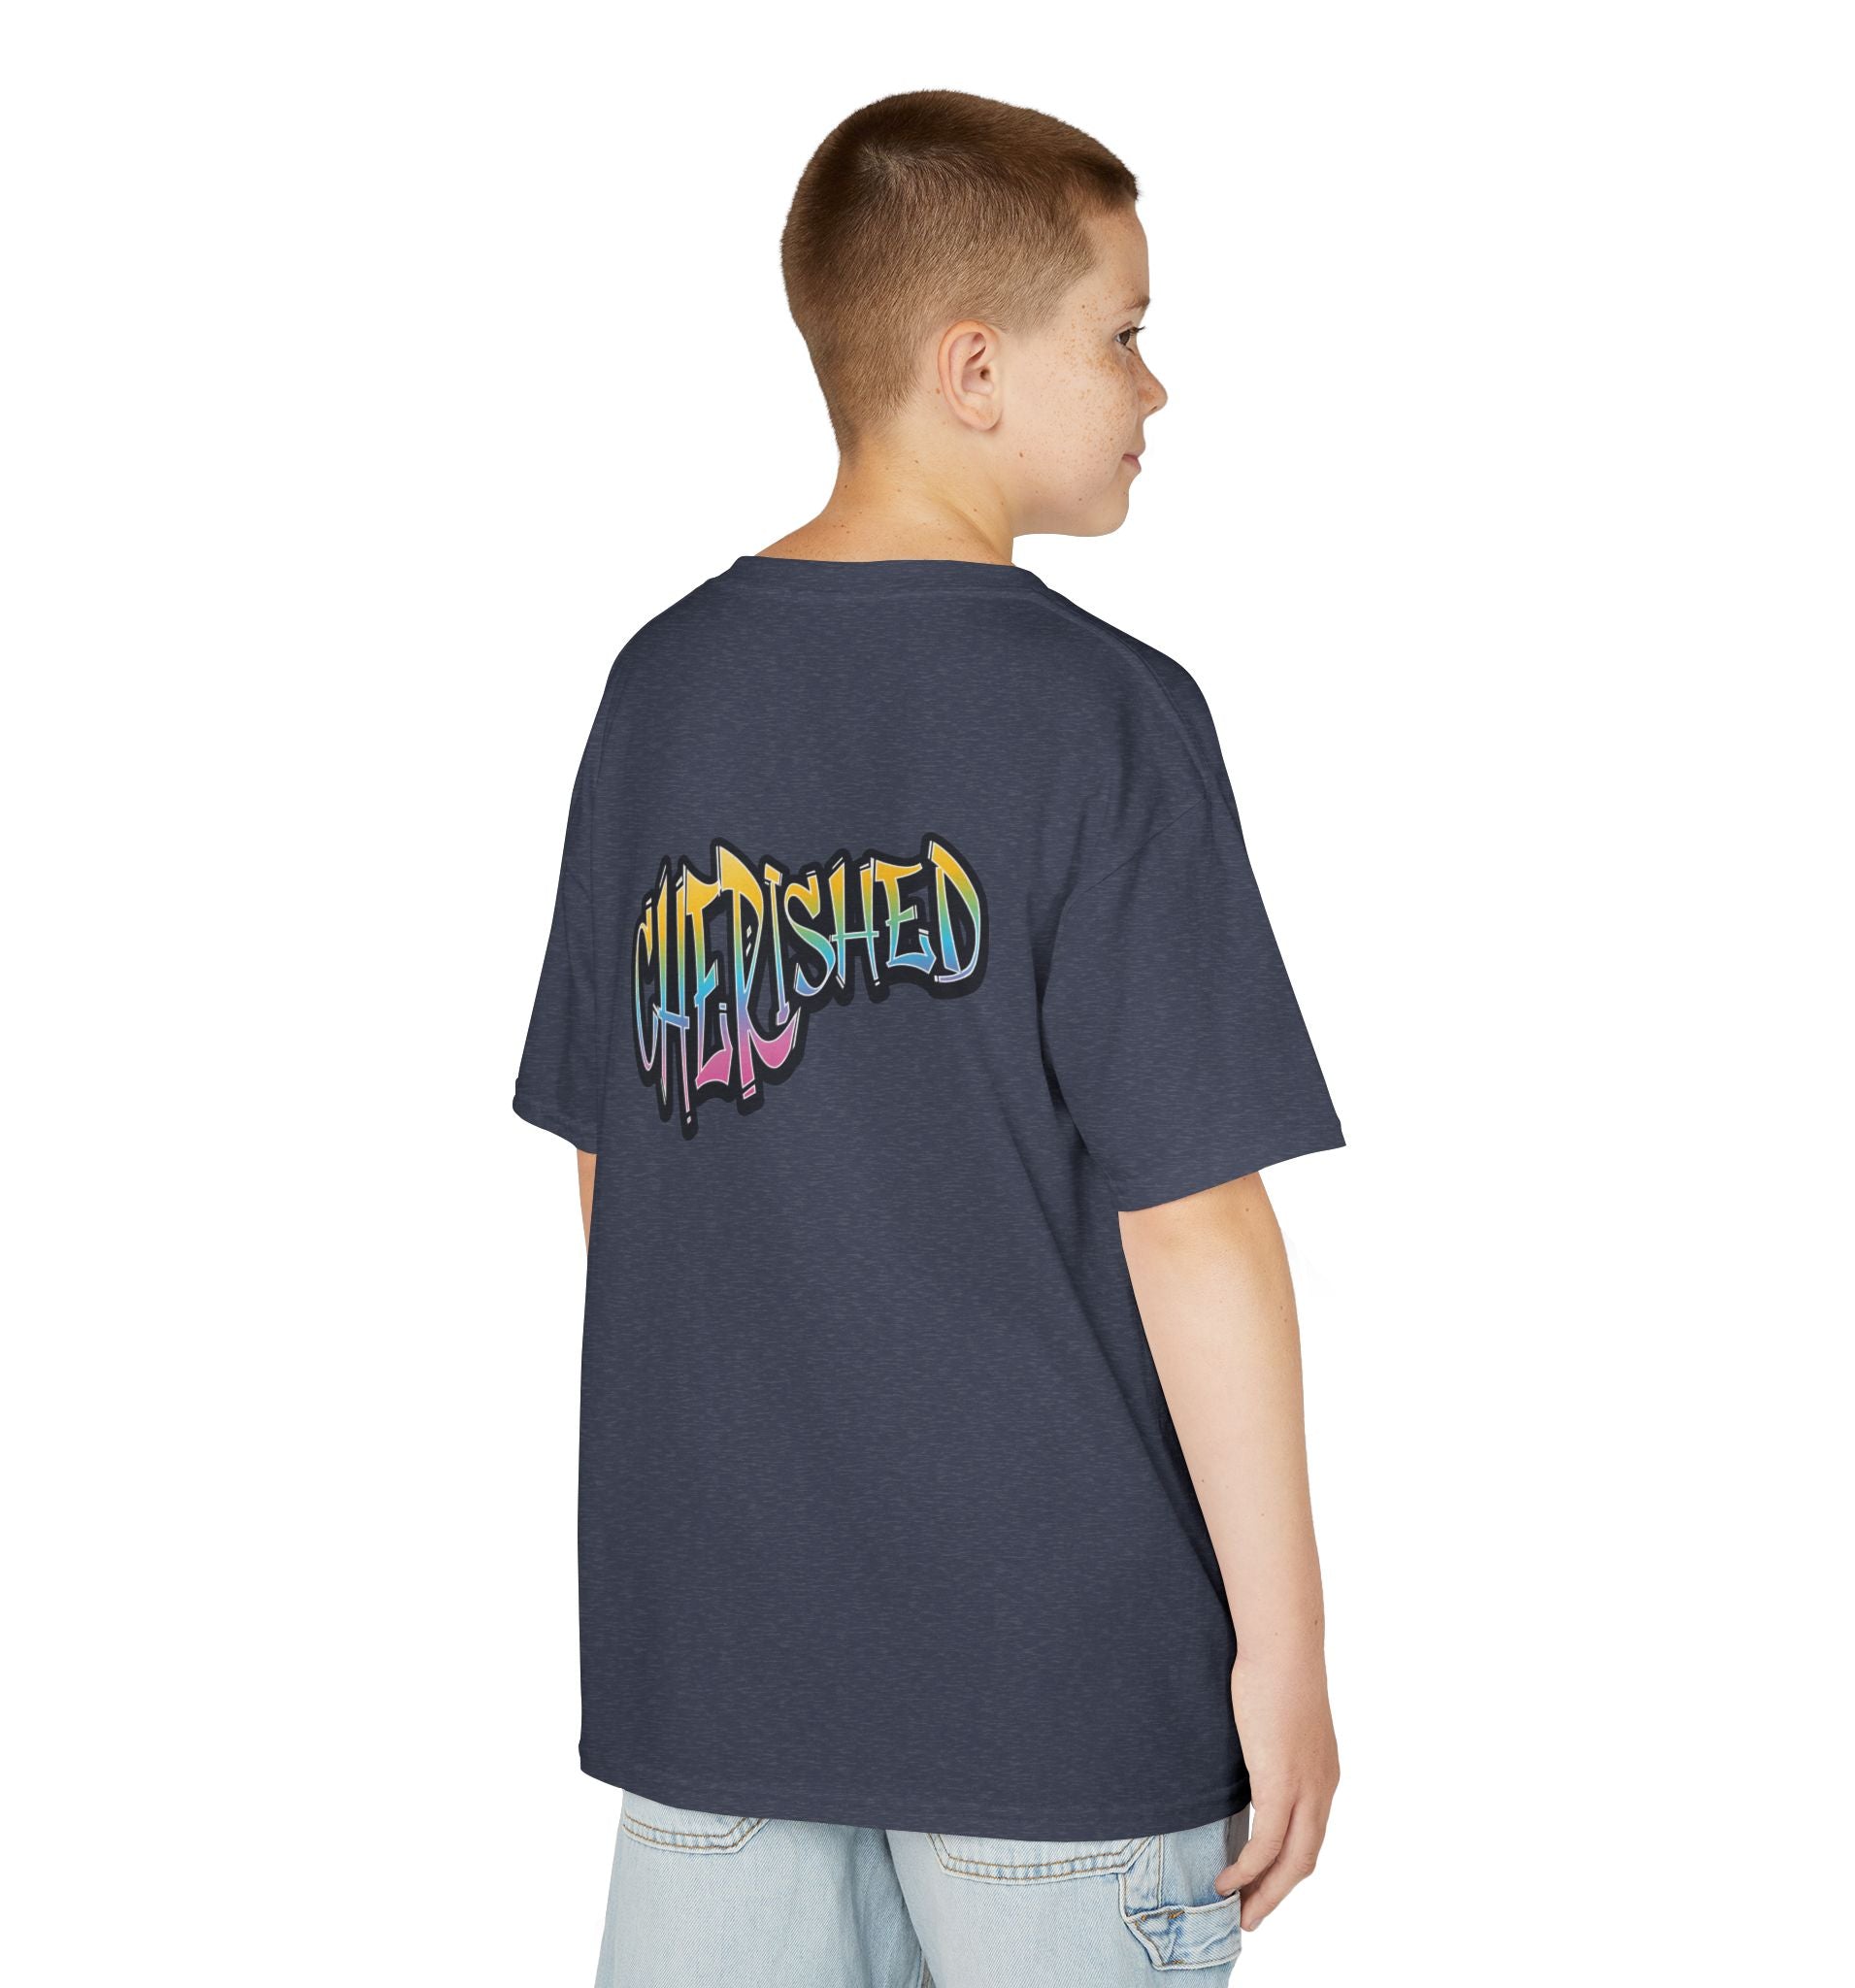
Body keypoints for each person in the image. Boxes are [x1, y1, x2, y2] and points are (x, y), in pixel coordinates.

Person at [514, 88, 1345, 1988]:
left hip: (719, 1679)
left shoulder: (660, 692)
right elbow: (1194, 1221)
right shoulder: (1105, 718)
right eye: (1123, 333)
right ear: (975, 368)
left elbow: (614, 1176)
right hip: (1058, 1692)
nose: (1156, 388)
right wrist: (1284, 1648)